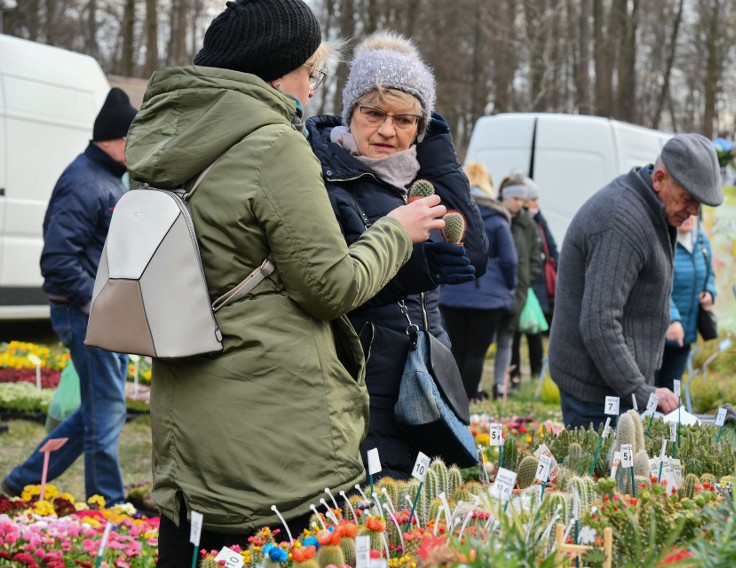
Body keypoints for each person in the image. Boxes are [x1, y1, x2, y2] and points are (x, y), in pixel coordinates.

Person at [123, 1, 448, 561]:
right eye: (311, 73)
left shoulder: (165, 138)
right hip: (276, 428)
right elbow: (329, 286)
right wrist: (398, 230)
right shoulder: (274, 145)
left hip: (189, 407)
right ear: (277, 70)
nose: (312, 89)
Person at [307, 31, 486, 479]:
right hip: (360, 383)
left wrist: (442, 160)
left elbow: (474, 255)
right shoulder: (323, 177)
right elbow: (329, 286)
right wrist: (416, 269)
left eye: (406, 120)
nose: (388, 131)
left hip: (425, 378)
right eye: (374, 113)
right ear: (351, 112)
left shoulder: (416, 176)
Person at [1, 88, 137, 507]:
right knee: (107, 410)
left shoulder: (106, 179)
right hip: (84, 315)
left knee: (97, 411)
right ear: (114, 139)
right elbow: (58, 260)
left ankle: (21, 480)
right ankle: (108, 505)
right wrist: (96, 307)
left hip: (98, 315)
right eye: (135, 139)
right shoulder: (85, 182)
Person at [549, 133, 724, 429]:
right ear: (659, 179)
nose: (694, 211)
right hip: (595, 393)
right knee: (602, 474)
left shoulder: (651, 210)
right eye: (688, 199)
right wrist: (640, 391)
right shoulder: (622, 223)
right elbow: (599, 322)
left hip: (614, 384)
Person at [440, 162, 517, 400]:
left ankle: (452, 400)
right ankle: (467, 401)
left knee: (458, 351)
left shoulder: (451, 213)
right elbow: (510, 260)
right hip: (488, 297)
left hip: (452, 292)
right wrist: (509, 286)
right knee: (476, 353)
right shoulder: (497, 219)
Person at [654, 214, 716, 391]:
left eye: (694, 212)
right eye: (686, 210)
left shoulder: (702, 242)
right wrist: (672, 319)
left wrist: (709, 292)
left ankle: (667, 420)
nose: (690, 216)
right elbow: (657, 285)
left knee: (673, 389)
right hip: (662, 333)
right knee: (654, 390)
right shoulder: (663, 241)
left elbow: (710, 274)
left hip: (686, 333)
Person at [493, 174, 541, 397]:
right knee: (485, 338)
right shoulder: (495, 217)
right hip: (493, 290)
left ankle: (501, 385)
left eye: (523, 199)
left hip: (517, 291)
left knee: (508, 337)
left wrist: (526, 278)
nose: (521, 204)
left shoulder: (527, 223)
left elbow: (534, 257)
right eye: (517, 199)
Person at [511, 179, 558, 384]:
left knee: (534, 331)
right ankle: (514, 374)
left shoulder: (538, 220)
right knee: (513, 331)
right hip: (522, 283)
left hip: (535, 284)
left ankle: (537, 373)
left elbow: (551, 249)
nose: (537, 203)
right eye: (534, 199)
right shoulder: (517, 220)